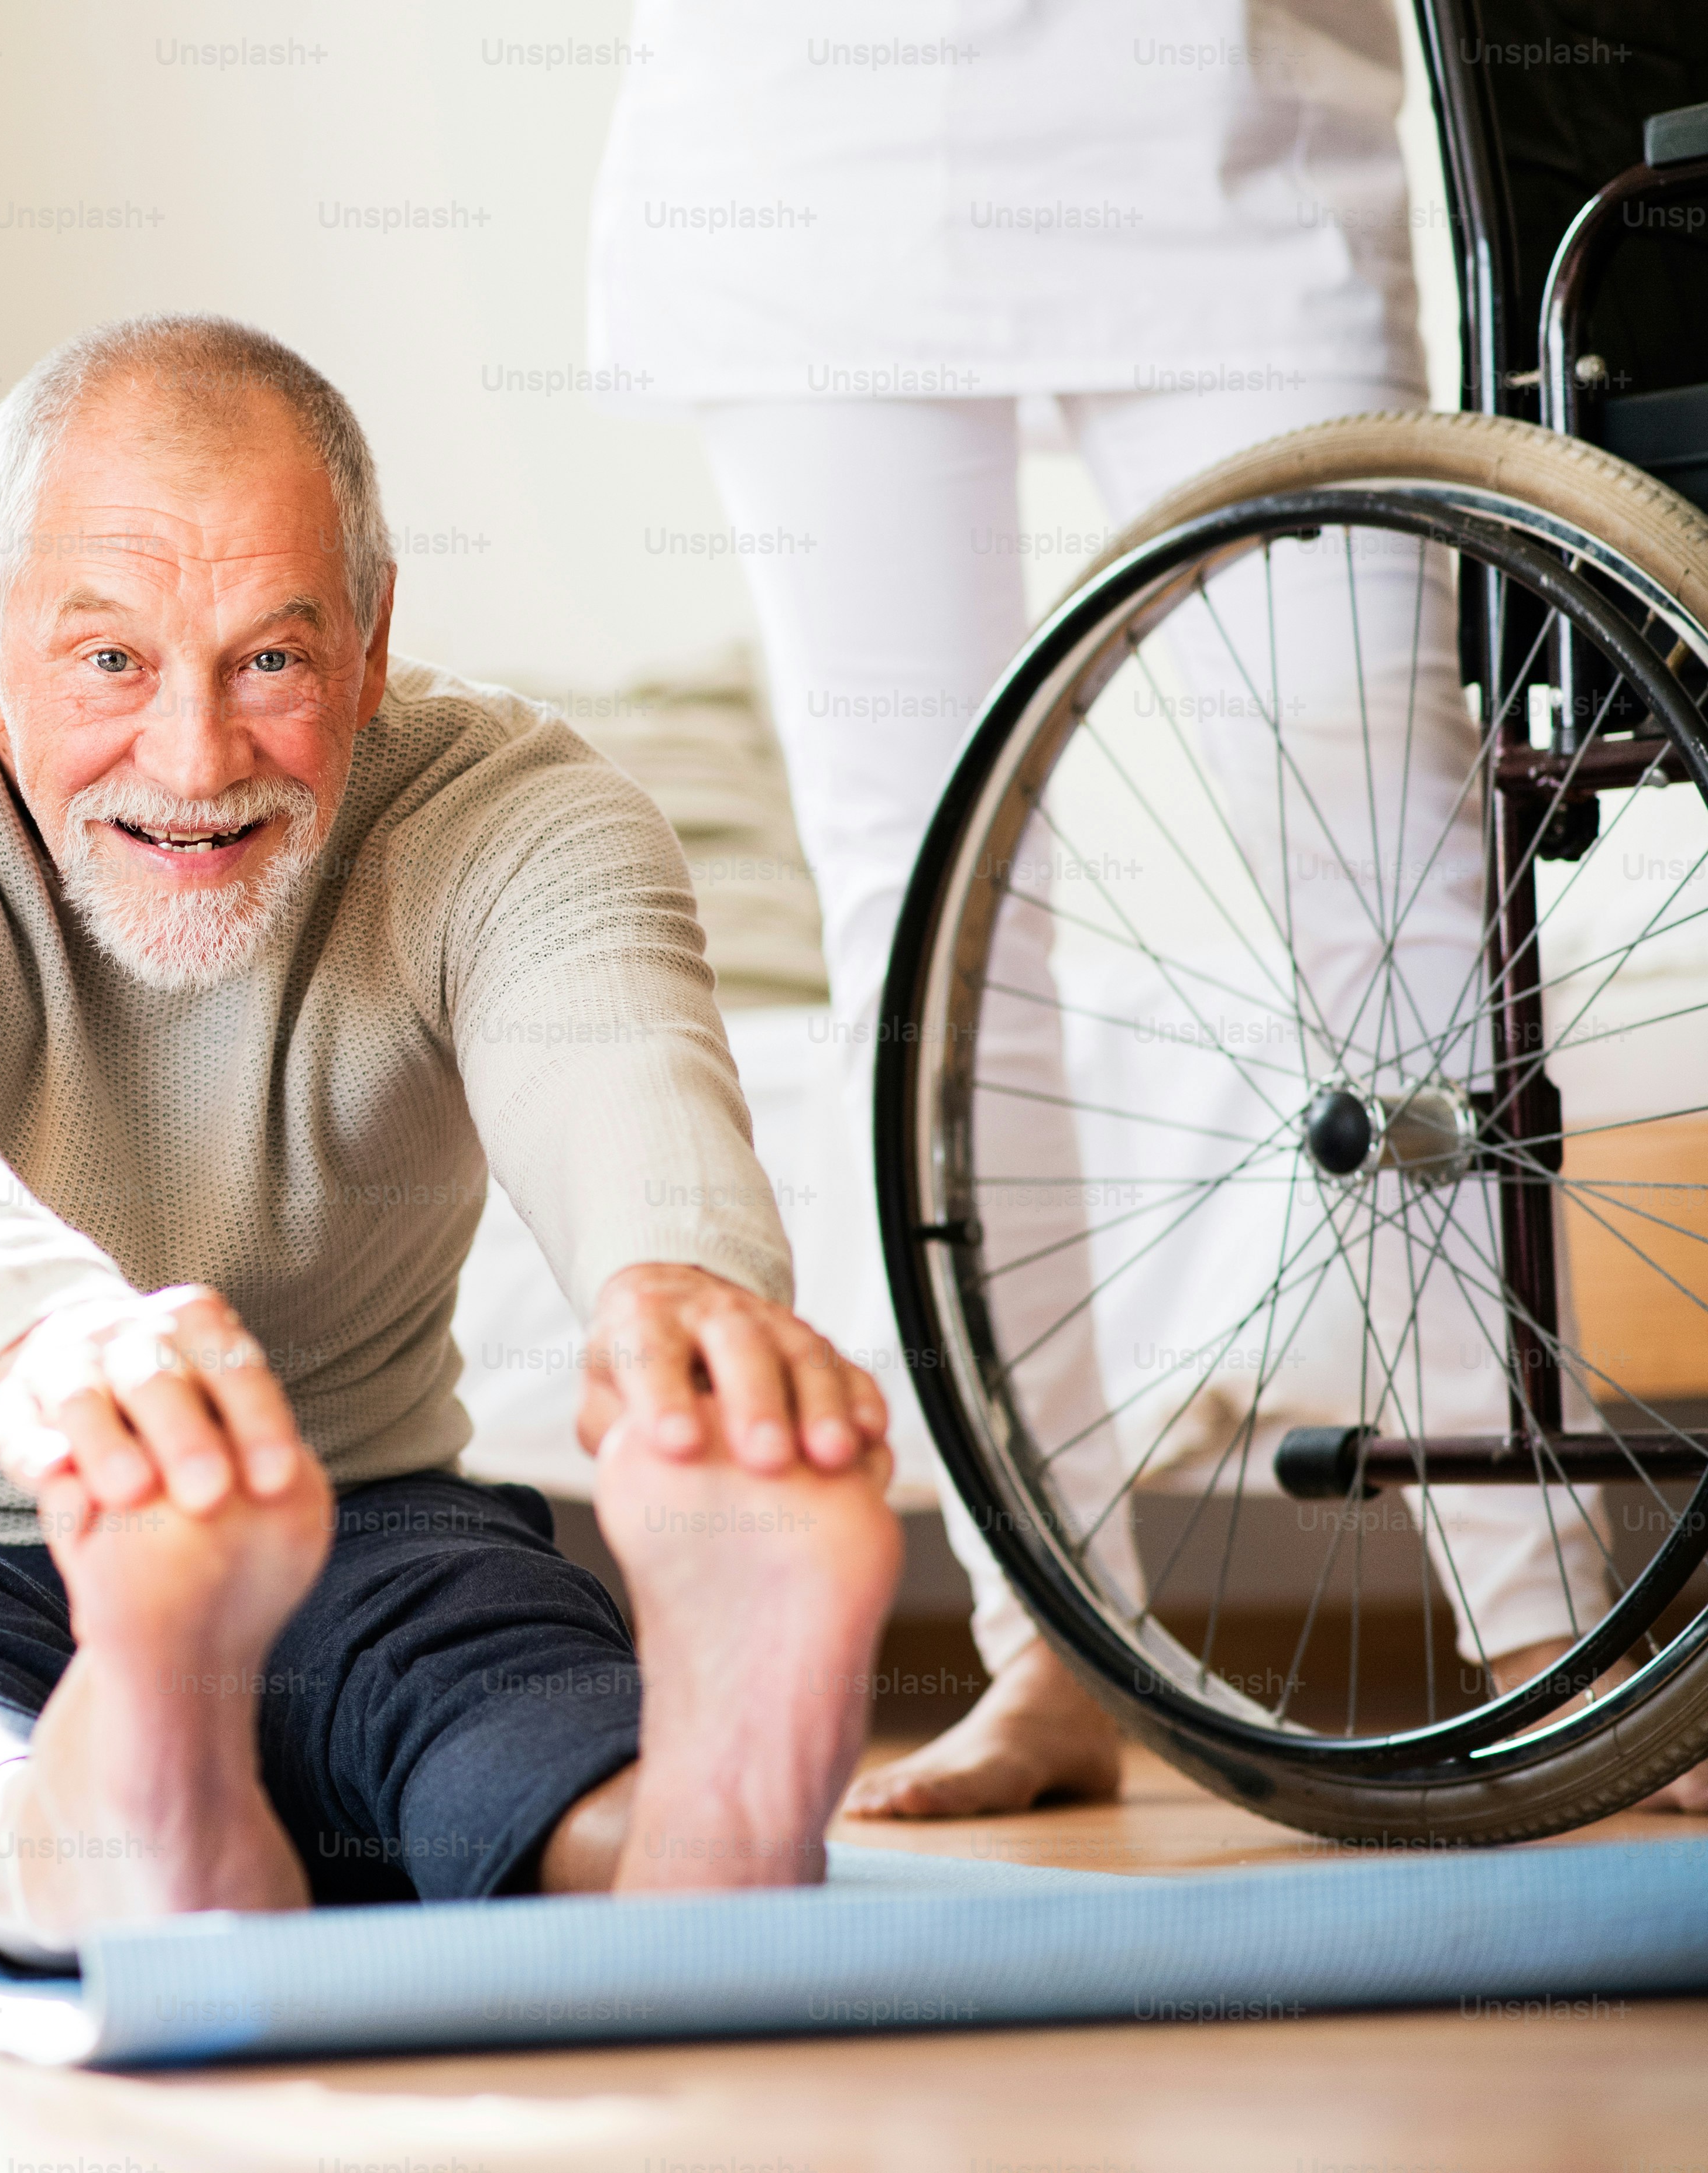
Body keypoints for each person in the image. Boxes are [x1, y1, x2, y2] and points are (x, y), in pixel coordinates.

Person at [0, 314, 902, 1970]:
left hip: (347, 1520)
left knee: (470, 1662)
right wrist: (57, 1353)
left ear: (370, 642)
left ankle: (694, 1830)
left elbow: (615, 1052)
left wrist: (684, 1311)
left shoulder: (514, 809)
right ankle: (88, 1842)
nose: (195, 760)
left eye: (271, 661)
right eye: (112, 661)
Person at [587, 0, 1628, 1816]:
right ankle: (1047, 1643)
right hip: (807, 152)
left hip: (1226, 113)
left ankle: (1547, 1625)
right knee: (924, 911)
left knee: (1388, 848)